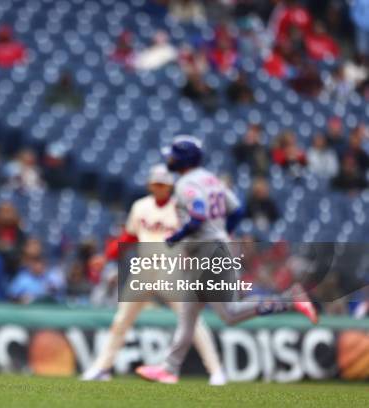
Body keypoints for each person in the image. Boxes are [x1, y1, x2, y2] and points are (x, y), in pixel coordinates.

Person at [135, 136, 318, 384]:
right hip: (213, 247)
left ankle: (290, 299)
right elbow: (237, 209)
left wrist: (176, 237)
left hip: (209, 250)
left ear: (184, 159)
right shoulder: (211, 179)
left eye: (174, 155)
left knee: (229, 314)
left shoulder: (186, 183)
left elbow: (198, 216)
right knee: (189, 313)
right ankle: (169, 368)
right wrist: (224, 232)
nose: (170, 158)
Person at [81, 164, 227, 386]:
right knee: (121, 321)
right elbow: (128, 237)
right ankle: (102, 367)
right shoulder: (140, 207)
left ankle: (216, 371)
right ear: (150, 185)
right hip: (143, 270)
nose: (160, 188)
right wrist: (107, 256)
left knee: (192, 322)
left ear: (170, 186)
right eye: (156, 183)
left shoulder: (182, 209)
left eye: (164, 184)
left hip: (172, 271)